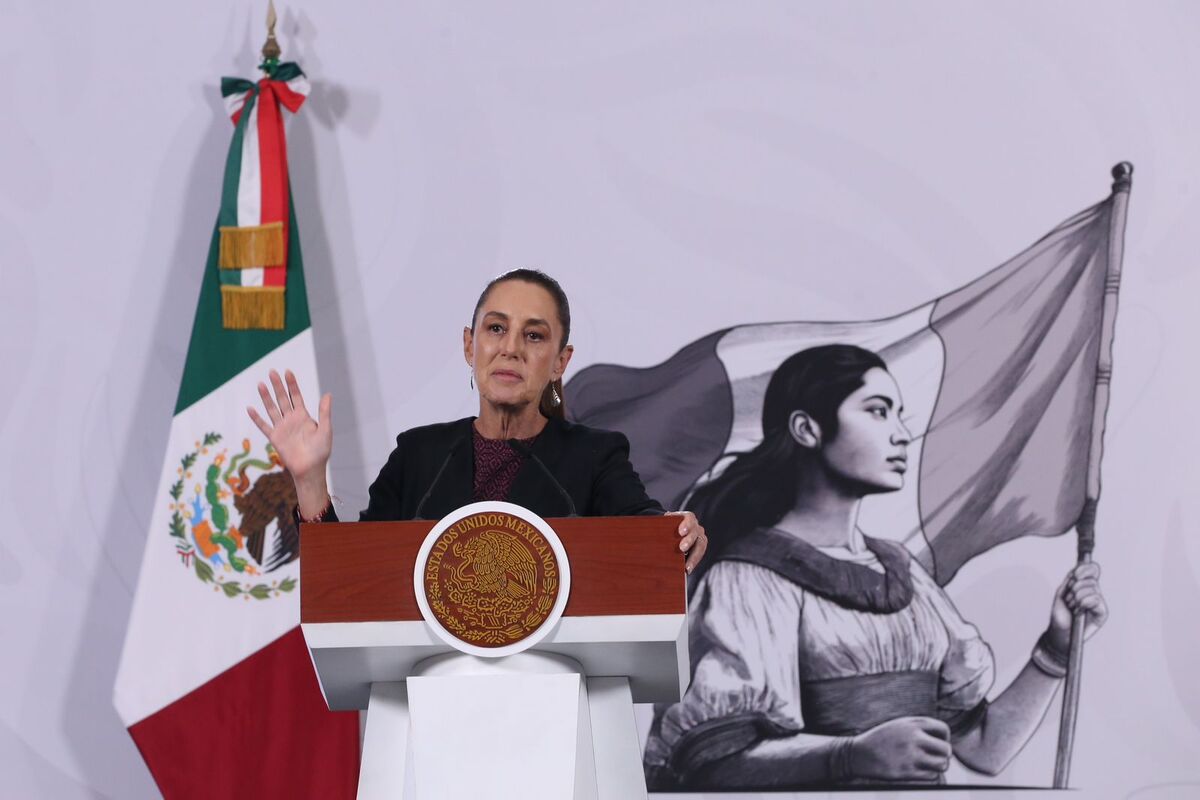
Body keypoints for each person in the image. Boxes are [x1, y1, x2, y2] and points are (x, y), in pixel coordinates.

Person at [642, 344, 1107, 789]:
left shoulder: (904, 576)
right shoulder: (748, 579)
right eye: (878, 410)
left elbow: (985, 749)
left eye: (898, 415)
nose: (902, 433)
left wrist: (1057, 649)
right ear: (807, 429)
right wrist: (851, 755)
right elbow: (712, 764)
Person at [247, 268, 707, 569]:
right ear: (470, 345)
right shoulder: (417, 456)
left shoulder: (595, 457)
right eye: (496, 328)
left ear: (560, 362)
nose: (510, 348)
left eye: (533, 335)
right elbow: (349, 577)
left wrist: (677, 534)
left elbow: (646, 532)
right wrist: (308, 481)